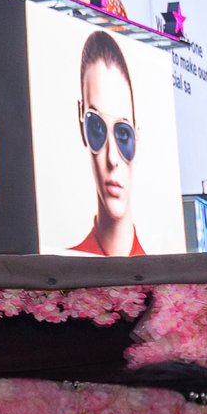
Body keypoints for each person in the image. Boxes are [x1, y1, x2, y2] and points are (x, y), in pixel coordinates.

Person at [69, 29, 145, 256]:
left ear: (136, 137)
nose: (112, 158)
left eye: (123, 135)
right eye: (97, 128)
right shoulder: (64, 270)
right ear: (82, 122)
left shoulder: (168, 284)